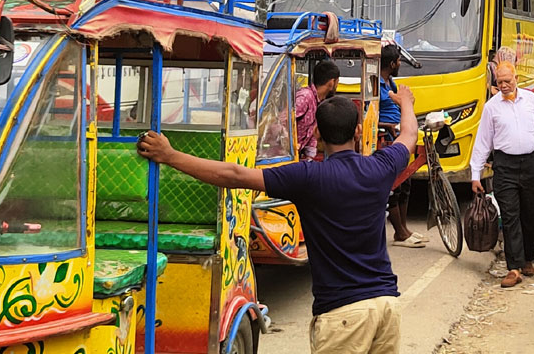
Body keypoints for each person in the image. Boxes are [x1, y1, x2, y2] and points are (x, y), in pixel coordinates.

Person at [138, 86, 419, 354]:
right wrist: (405, 101)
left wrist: (170, 156)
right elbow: (408, 135)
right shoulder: (381, 166)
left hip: (343, 314)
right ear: (357, 131)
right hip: (386, 306)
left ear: (318, 133)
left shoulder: (308, 177)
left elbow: (235, 176)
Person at [469, 62, 534, 288]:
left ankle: (528, 258)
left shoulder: (530, 101)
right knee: (510, 216)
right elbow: (483, 141)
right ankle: (514, 267)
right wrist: (475, 174)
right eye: (499, 82)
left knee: (530, 215)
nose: (503, 85)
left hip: (531, 163)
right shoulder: (491, 107)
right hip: (505, 166)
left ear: (516, 79)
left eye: (507, 81)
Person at [379, 44, 424, 248]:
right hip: (387, 138)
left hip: (399, 135)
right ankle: (399, 232)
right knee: (394, 186)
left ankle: (404, 230)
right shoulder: (377, 85)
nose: (399, 64)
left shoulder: (391, 83)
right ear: (391, 63)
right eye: (398, 61)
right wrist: (388, 125)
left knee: (406, 184)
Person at [295, 59, 340, 161]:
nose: (337, 86)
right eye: (337, 82)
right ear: (331, 82)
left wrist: (309, 156)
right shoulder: (305, 97)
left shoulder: (318, 102)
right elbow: (283, 121)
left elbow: (311, 132)